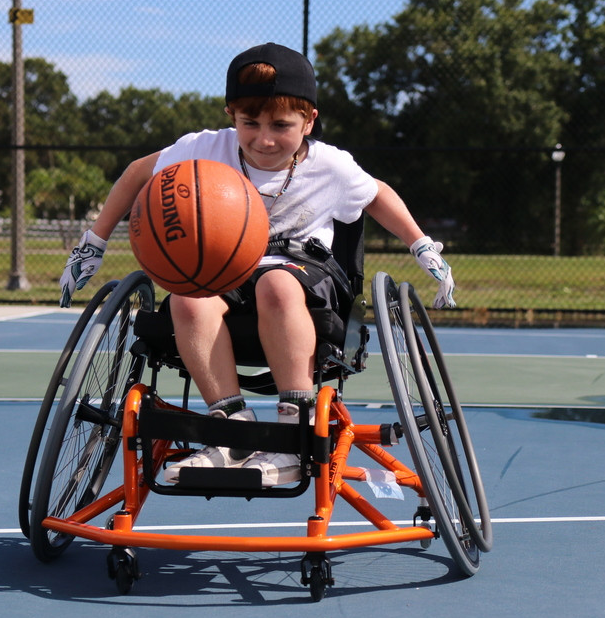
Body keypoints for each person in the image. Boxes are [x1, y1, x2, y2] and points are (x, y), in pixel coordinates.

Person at [58, 42, 455, 487]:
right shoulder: (203, 150)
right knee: (188, 298)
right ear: (232, 114)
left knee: (277, 286)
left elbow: (378, 194)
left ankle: (294, 427)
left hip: (303, 270)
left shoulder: (331, 166)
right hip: (224, 272)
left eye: (282, 125)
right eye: (250, 123)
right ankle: (233, 429)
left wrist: (422, 246)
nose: (264, 138)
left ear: (309, 120)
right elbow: (136, 173)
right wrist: (92, 244)